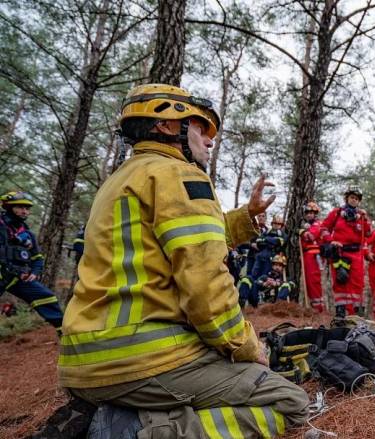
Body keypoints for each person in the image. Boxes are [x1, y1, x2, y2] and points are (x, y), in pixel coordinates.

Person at [58, 84, 308, 438]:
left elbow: (184, 236)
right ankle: (137, 430)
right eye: (200, 127)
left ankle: (120, 411)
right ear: (165, 125)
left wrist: (245, 218)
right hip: (144, 359)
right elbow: (205, 284)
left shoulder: (123, 178)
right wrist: (248, 347)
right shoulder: (180, 175)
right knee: (289, 402)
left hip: (86, 363)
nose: (209, 140)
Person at [0, 191, 64, 332]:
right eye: (20, 207)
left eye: (27, 208)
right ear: (9, 206)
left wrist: (35, 272)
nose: (25, 211)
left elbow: (37, 258)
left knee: (47, 297)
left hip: (17, 277)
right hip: (2, 274)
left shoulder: (28, 234)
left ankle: (64, 332)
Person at [321, 186, 372, 317]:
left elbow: (367, 233)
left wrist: (365, 219)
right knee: (340, 281)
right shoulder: (337, 213)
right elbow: (324, 228)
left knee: (357, 283)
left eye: (356, 199)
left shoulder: (361, 216)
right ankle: (340, 312)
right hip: (339, 253)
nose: (354, 200)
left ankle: (356, 313)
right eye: (352, 197)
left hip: (356, 253)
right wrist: (330, 240)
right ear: (347, 198)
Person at [300, 201, 325, 312]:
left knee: (314, 280)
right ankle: (313, 305)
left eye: (311, 213)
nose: (309, 215)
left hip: (315, 255)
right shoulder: (308, 225)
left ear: (315, 214)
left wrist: (302, 232)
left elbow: (310, 236)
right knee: (308, 281)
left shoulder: (318, 224)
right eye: (307, 213)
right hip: (307, 254)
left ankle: (318, 307)